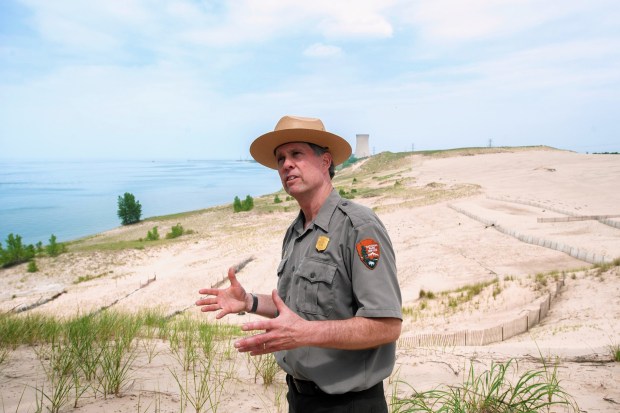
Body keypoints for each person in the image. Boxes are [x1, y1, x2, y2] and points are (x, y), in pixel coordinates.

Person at [196, 115, 402, 413]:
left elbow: (386, 326)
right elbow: (297, 308)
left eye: (296, 154)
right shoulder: (296, 232)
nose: (286, 165)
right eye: (280, 158)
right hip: (300, 399)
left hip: (349, 404)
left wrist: (305, 333)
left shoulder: (358, 227)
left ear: (324, 161)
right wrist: (250, 301)